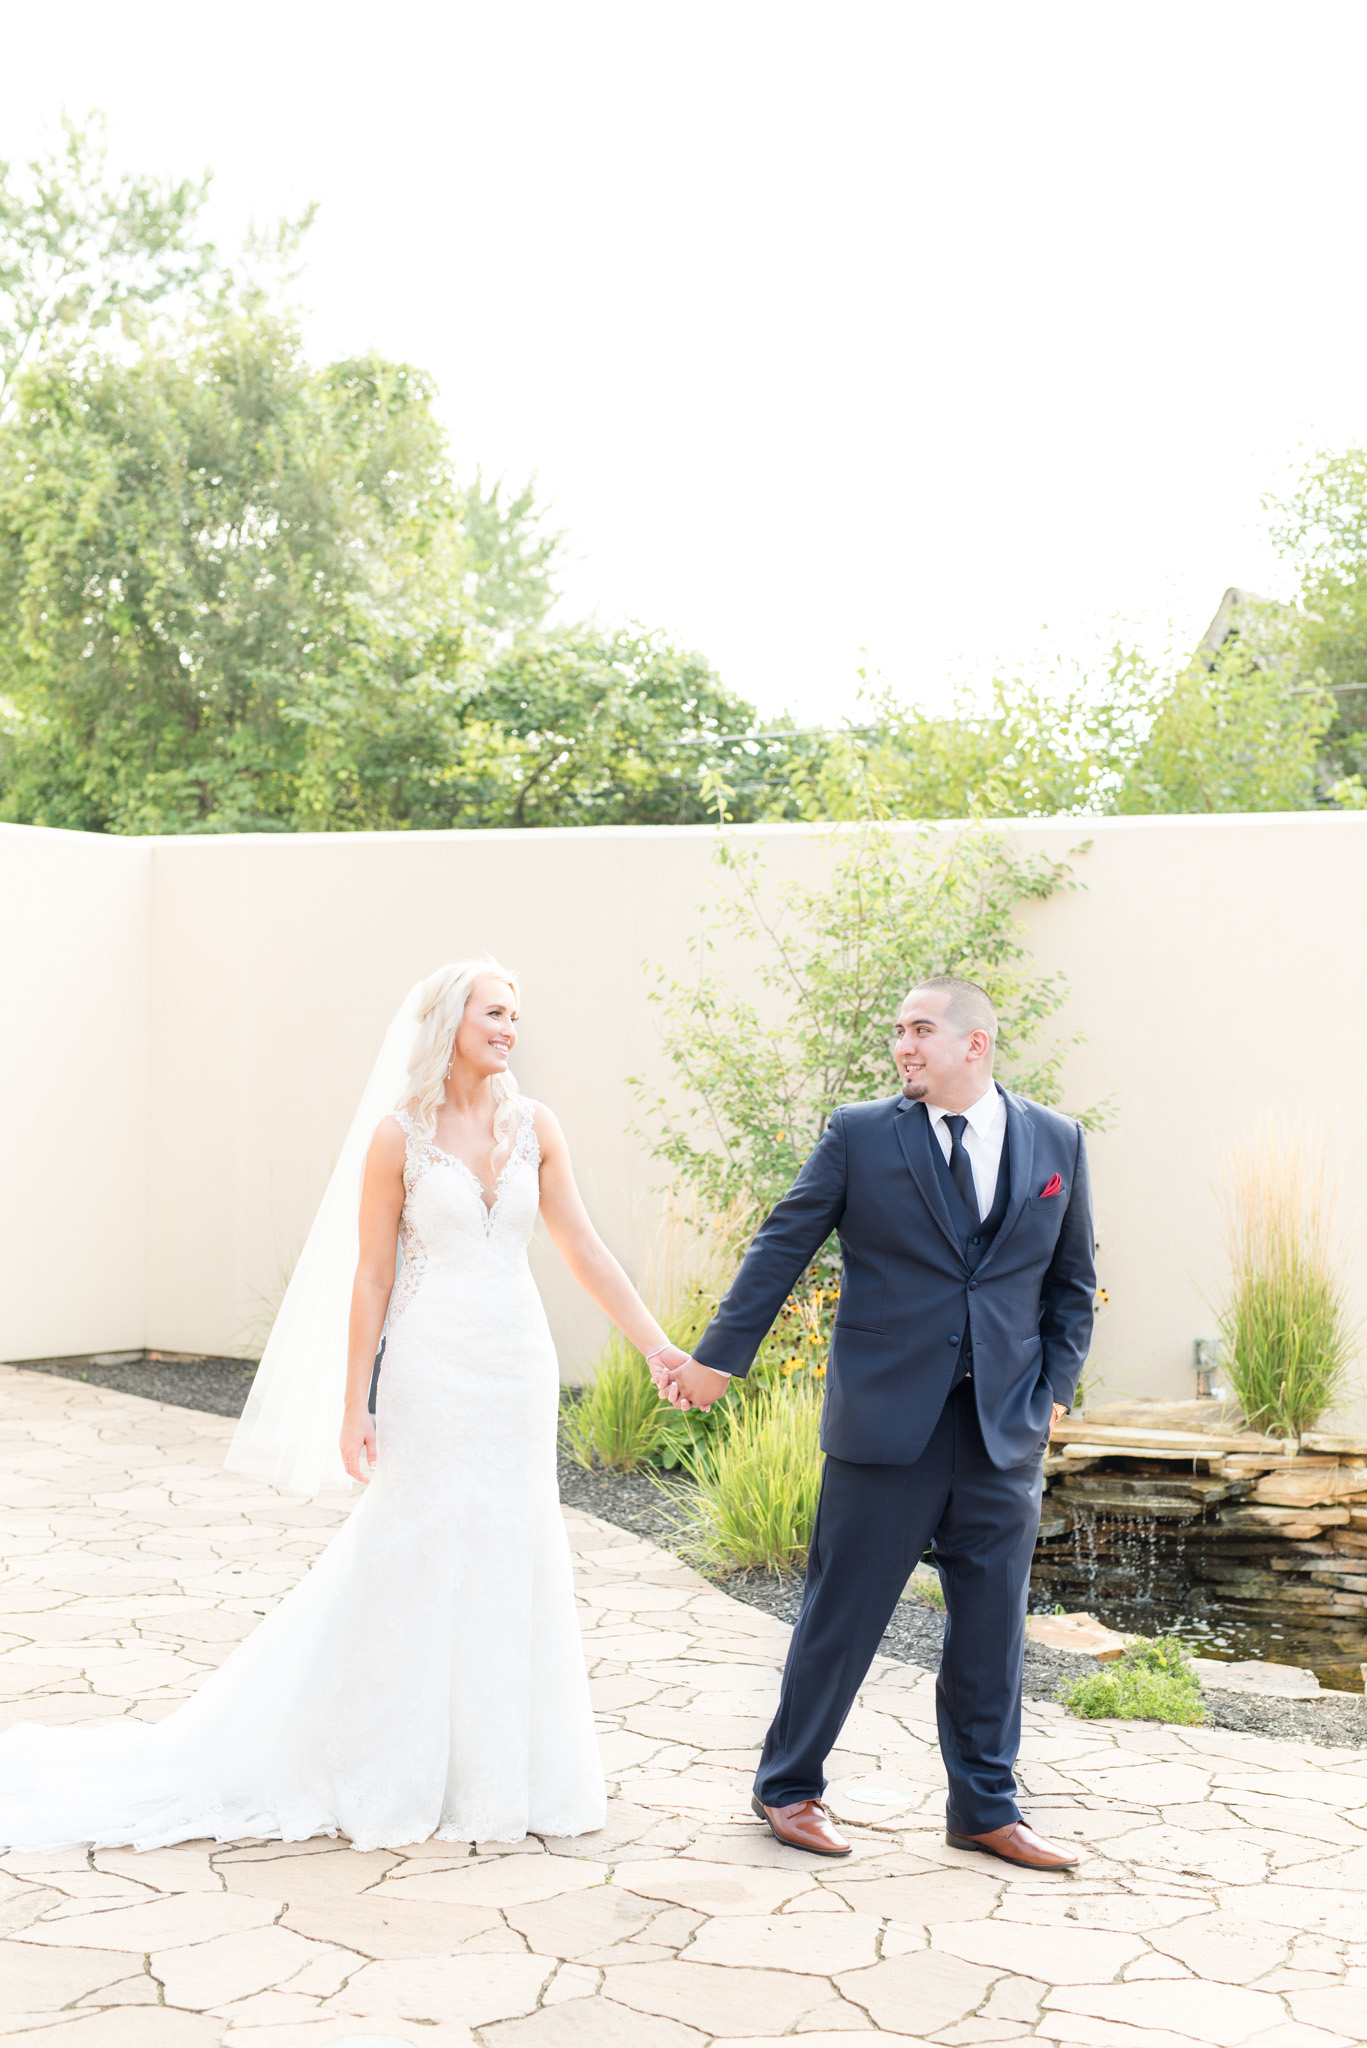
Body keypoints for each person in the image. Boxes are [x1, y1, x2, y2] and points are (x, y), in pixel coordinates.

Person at [0, 957, 692, 1854]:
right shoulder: (397, 1137)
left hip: (515, 1365)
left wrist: (657, 1347)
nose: (509, 1027)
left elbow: (585, 1248)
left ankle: (501, 1779)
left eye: (515, 1014)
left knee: (510, 1541)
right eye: (493, 1012)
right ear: (449, 1023)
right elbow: (371, 1275)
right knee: (416, 1544)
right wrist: (354, 1400)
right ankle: (390, 1765)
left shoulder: (537, 1128)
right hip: (431, 1368)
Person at [658, 975, 1094, 1871]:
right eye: (897, 1029)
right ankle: (788, 1786)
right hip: (886, 1424)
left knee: (991, 1632)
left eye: (920, 1029)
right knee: (841, 1616)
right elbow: (783, 1242)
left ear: (974, 1043)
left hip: (1000, 1427)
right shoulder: (861, 1135)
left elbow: (1071, 1281)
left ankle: (985, 1806)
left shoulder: (1056, 1139)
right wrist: (715, 1361)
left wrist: (1055, 1386)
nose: (902, 1044)